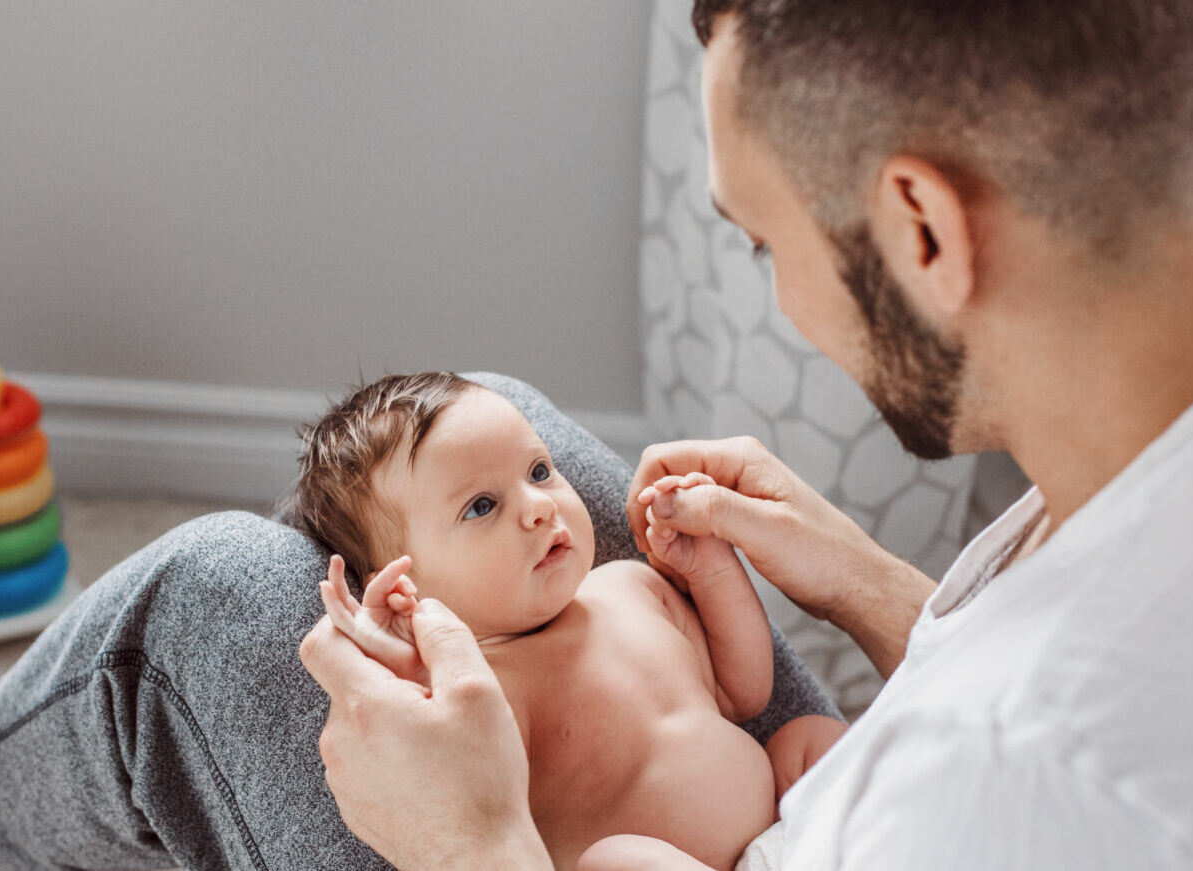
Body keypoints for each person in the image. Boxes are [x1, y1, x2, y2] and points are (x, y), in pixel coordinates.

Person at [297, 0, 1193, 869]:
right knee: (502, 412)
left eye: (764, 241)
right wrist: (873, 587)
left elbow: (1022, 758)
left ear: (922, 229)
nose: (780, 298)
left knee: (207, 592)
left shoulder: (1014, 783)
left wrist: (474, 842)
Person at [286, 371, 848, 869]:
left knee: (810, 739)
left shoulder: (632, 584)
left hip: (795, 835)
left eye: (539, 470)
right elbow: (451, 787)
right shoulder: (481, 691)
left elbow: (741, 693)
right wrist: (402, 662)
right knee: (615, 860)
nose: (539, 505)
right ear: (406, 586)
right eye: (482, 506)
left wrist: (711, 568)